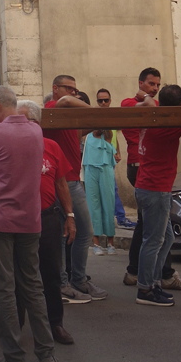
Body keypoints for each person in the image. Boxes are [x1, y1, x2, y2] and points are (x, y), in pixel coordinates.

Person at [0, 85, 57, 362]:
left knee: (4, 287)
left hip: (0, 218)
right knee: (32, 285)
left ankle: (14, 359)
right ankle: (46, 355)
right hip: (30, 219)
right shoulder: (36, 132)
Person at [123, 68, 181, 292]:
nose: (154, 89)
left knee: (165, 238)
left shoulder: (153, 118)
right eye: (150, 84)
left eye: (157, 86)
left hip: (151, 187)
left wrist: (146, 97)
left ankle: (156, 279)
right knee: (153, 240)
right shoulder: (168, 124)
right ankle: (146, 287)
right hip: (154, 189)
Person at [43, 74, 106, 304]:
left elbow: (80, 132)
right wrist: (98, 111)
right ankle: (68, 282)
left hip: (71, 179)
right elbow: (64, 102)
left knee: (69, 233)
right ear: (55, 88)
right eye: (68, 88)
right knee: (81, 232)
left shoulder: (68, 116)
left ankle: (72, 281)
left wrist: (98, 122)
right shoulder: (54, 106)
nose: (73, 93)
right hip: (64, 181)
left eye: (75, 89)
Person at [17, 100, 76, 347]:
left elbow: (61, 183)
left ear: (36, 123)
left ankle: (56, 324)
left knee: (51, 273)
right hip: (19, 219)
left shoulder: (51, 146)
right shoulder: (12, 146)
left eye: (24, 120)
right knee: (18, 274)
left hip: (48, 217)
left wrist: (70, 216)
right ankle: (16, 327)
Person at [95, 88, 134, 228]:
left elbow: (113, 136)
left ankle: (112, 218)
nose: (103, 103)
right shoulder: (95, 117)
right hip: (101, 159)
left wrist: (117, 151)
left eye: (106, 100)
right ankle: (120, 218)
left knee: (109, 189)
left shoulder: (112, 116)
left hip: (109, 158)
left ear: (110, 101)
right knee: (111, 189)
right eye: (100, 100)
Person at [83, 129, 117, 253]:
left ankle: (110, 242)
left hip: (105, 169)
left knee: (108, 204)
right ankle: (96, 243)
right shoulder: (86, 135)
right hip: (90, 169)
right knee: (93, 205)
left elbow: (105, 133)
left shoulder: (108, 134)